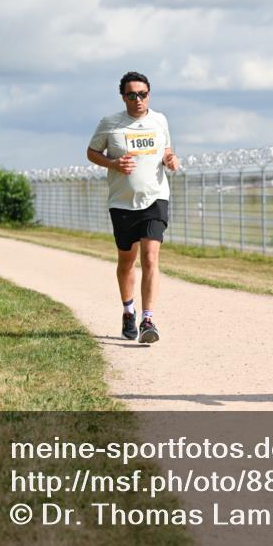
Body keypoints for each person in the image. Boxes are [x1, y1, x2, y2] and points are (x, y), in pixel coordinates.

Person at [87, 71, 180, 344]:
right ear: (123, 96)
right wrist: (113, 164)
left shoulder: (159, 120)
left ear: (149, 94)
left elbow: (166, 150)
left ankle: (148, 320)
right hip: (122, 202)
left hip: (155, 197)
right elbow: (92, 152)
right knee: (127, 261)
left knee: (150, 257)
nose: (138, 99)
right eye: (132, 95)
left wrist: (171, 159)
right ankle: (129, 310)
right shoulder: (110, 124)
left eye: (143, 94)